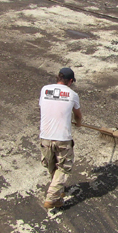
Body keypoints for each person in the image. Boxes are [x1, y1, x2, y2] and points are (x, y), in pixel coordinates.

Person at [39, 67, 82, 208]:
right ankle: (51, 197)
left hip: (45, 137)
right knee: (63, 168)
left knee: (52, 166)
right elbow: (77, 115)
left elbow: (49, 107)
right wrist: (78, 123)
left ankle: (59, 192)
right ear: (70, 81)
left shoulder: (44, 89)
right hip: (62, 138)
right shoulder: (72, 94)